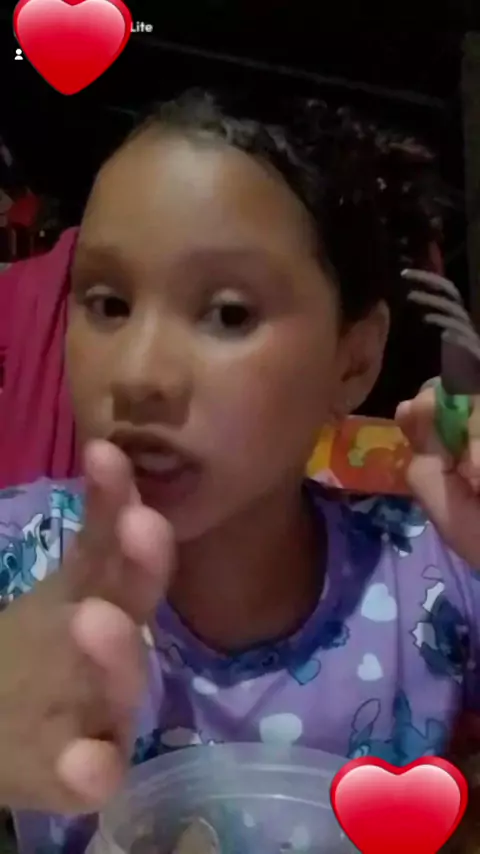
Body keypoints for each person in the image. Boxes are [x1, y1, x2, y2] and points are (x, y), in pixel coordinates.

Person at [0, 88, 479, 854]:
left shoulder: (435, 578)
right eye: (109, 303)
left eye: (228, 313)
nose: (139, 374)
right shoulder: (23, 560)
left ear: (354, 360)